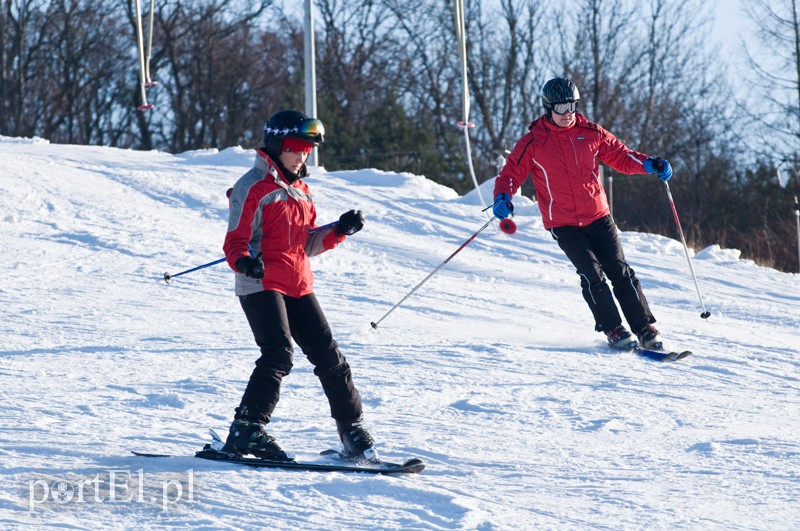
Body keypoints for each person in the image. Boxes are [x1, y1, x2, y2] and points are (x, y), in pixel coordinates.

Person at [221, 109, 376, 461]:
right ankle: (247, 428)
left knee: (329, 356)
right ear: (276, 145)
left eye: (307, 149)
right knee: (278, 353)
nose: (301, 155)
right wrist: (245, 261)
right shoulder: (252, 186)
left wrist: (339, 230)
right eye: (294, 147)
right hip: (260, 283)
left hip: (299, 283)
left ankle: (351, 429)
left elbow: (305, 244)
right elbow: (235, 241)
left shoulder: (302, 192)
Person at [492, 78, 673, 350]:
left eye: (572, 107)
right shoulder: (533, 142)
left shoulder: (590, 133)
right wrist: (502, 197)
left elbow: (621, 156)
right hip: (564, 223)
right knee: (592, 275)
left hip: (598, 216)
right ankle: (614, 328)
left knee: (620, 272)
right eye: (561, 108)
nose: (568, 114)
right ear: (548, 107)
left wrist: (649, 164)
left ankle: (644, 327)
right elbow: (509, 174)